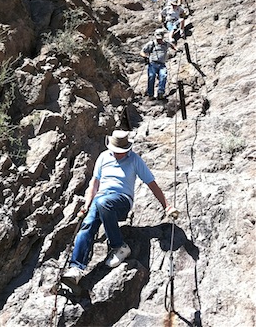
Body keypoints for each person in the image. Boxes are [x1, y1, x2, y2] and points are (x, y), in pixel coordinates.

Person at [61, 130, 179, 286]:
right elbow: (94, 184)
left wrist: (167, 206)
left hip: (121, 199)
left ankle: (119, 246)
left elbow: (152, 184)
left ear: (128, 149)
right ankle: (76, 268)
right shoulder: (103, 157)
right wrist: (87, 204)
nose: (118, 154)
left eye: (121, 152)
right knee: (87, 225)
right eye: (116, 151)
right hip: (100, 198)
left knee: (104, 203)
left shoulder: (135, 160)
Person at [139, 28, 178, 100]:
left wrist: (176, 49)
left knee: (163, 75)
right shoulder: (151, 44)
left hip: (162, 64)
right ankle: (150, 94)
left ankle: (161, 92)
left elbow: (172, 46)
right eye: (158, 38)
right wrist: (146, 56)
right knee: (151, 76)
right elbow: (142, 52)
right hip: (152, 63)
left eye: (160, 39)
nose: (159, 40)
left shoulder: (166, 43)